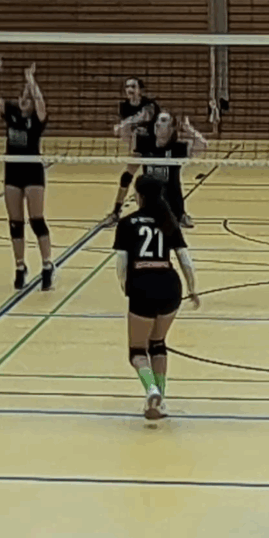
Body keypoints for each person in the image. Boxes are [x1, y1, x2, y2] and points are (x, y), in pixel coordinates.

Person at [113, 174, 199, 420]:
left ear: (138, 195)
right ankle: (160, 401)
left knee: (137, 351)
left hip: (143, 284)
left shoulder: (127, 223)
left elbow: (121, 264)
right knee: (158, 344)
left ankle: (151, 389)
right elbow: (185, 259)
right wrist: (192, 289)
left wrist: (127, 287)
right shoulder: (168, 220)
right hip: (170, 285)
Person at [0, 57, 53, 290]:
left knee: (36, 220)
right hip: (13, 171)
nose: (24, 99)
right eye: (21, 96)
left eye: (28, 97)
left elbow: (41, 103)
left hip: (33, 172)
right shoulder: (12, 113)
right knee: (16, 223)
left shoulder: (37, 120)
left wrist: (30, 80)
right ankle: (20, 266)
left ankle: (47, 265)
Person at [135, 113, 208, 228]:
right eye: (157, 120)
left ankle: (182, 216)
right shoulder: (145, 144)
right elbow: (122, 134)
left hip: (172, 210)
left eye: (163, 121)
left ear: (172, 128)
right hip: (150, 210)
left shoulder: (177, 148)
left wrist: (188, 129)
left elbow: (203, 145)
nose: (157, 124)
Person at [104, 77, 160, 226]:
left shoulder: (150, 104)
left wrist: (123, 124)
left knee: (153, 181)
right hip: (139, 146)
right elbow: (128, 131)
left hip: (154, 147)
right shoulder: (124, 107)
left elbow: (144, 116)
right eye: (127, 86)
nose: (129, 89)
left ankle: (161, 212)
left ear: (140, 90)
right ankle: (116, 212)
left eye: (133, 86)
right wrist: (124, 132)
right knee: (126, 177)